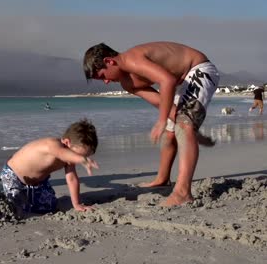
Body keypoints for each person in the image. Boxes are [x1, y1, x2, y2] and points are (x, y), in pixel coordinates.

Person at [83, 41, 220, 206]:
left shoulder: (132, 59)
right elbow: (161, 102)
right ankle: (162, 179)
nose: (105, 82)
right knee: (171, 133)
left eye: (103, 76)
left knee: (182, 126)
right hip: (179, 82)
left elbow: (167, 80)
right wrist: (187, 128)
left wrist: (171, 122)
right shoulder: (127, 83)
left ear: (109, 61)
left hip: (199, 69)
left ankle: (183, 193)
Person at [0, 119, 99, 215]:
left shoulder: (70, 158)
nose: (79, 158)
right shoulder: (52, 145)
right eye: (79, 155)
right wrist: (83, 160)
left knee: (49, 206)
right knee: (14, 206)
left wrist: (76, 204)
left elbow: (72, 179)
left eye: (85, 156)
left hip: (37, 183)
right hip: (13, 176)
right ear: (67, 142)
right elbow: (62, 153)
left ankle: (29, 196)